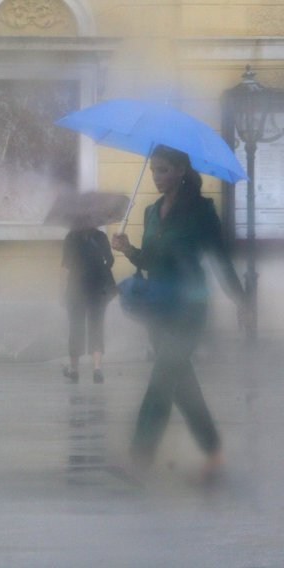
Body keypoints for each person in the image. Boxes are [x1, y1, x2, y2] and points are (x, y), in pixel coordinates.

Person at [111, 144, 248, 481]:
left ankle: (139, 458)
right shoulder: (151, 212)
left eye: (164, 170)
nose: (157, 177)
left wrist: (241, 299)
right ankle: (214, 451)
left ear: (181, 171)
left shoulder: (201, 212)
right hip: (160, 308)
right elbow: (151, 262)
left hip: (190, 309)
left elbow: (220, 259)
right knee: (182, 386)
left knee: (161, 381)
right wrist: (128, 249)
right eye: (154, 169)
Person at [61, 226, 115, 383]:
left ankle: (74, 370)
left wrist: (60, 291)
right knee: (96, 326)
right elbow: (110, 260)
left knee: (76, 327)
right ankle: (97, 369)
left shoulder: (71, 237)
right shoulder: (101, 237)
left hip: (75, 288)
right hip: (98, 288)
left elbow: (65, 265)